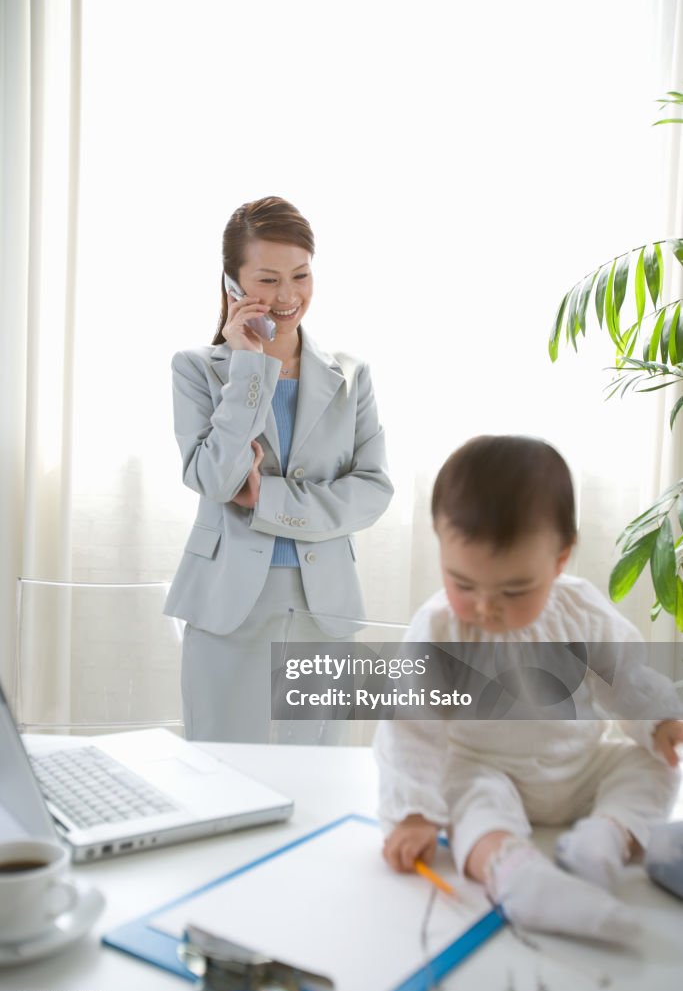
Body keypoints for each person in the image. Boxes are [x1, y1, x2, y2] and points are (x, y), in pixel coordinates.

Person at [375, 435, 683, 945]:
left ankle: (605, 837)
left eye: (514, 590)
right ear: (440, 544)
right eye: (463, 584)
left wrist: (661, 720)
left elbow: (627, 675)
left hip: (582, 769)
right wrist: (411, 814)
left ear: (560, 561)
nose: (485, 607)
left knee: (654, 763)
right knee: (467, 794)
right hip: (487, 770)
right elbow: (410, 729)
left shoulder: (578, 610)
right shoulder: (439, 632)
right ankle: (513, 873)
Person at [165, 196, 393, 742]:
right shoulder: (197, 369)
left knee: (317, 772)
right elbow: (216, 480)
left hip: (325, 603)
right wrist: (250, 366)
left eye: (301, 275)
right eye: (267, 279)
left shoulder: (351, 376)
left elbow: (373, 490)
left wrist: (267, 500)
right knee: (221, 766)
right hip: (227, 601)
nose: (287, 297)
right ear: (233, 284)